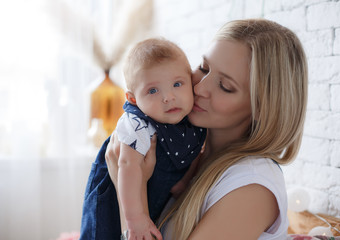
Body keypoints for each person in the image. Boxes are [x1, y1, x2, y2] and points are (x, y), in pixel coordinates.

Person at [105, 19, 308, 240]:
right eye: (203, 68)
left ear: (261, 107)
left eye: (225, 86)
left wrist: (123, 194)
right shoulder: (186, 154)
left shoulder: (252, 186)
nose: (200, 88)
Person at [79, 38, 206, 240]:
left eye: (177, 84)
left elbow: (196, 149)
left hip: (153, 194)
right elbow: (127, 165)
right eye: (153, 90)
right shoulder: (137, 123)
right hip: (117, 194)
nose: (169, 97)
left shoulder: (192, 119)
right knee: (102, 231)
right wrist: (135, 219)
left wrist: (185, 181)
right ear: (133, 99)